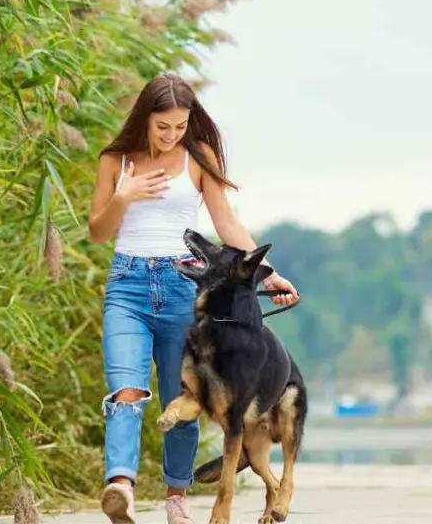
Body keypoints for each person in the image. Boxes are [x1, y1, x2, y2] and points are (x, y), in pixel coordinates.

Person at [87, 73, 299, 524]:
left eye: (180, 127)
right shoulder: (115, 160)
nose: (171, 136)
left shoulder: (197, 159)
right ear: (145, 118)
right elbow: (97, 232)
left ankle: (176, 498)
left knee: (183, 397)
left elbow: (227, 227)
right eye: (163, 126)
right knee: (126, 390)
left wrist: (270, 274)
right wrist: (123, 197)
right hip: (127, 286)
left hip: (183, 288)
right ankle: (120, 485)